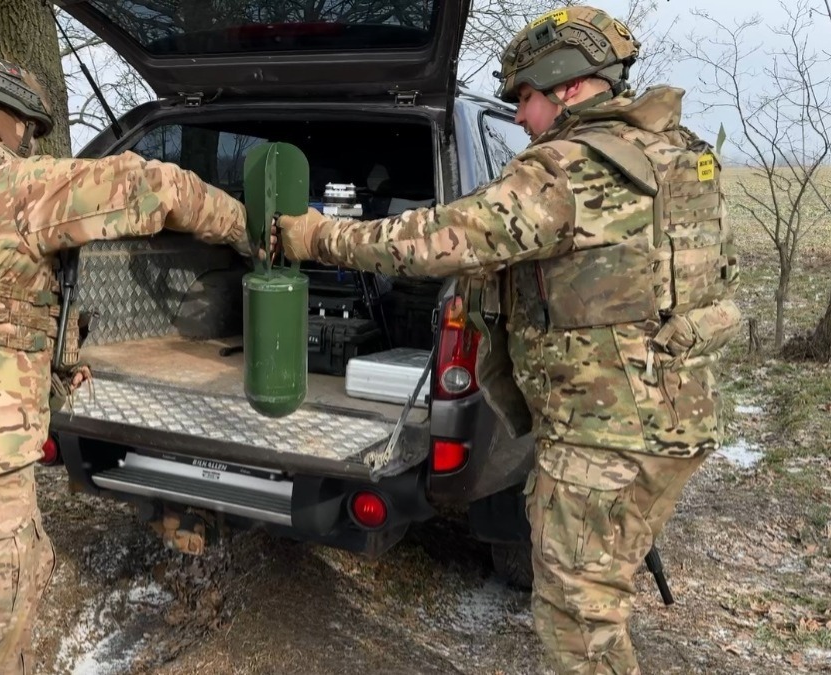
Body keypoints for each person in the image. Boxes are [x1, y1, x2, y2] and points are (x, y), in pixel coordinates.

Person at [276, 7, 742, 673]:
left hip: (605, 435)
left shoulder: (564, 169)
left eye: (525, 97)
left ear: (569, 86)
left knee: (577, 623)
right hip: (677, 416)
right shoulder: (682, 155)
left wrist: (318, 235)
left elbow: (437, 240)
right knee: (600, 594)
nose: (519, 116)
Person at [0, 53, 250, 674]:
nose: (27, 137)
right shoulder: (10, 188)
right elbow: (155, 187)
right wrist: (252, 228)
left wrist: (52, 358)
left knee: (11, 593)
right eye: (22, 122)